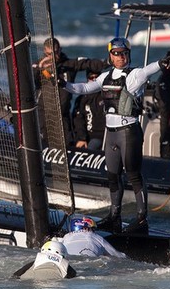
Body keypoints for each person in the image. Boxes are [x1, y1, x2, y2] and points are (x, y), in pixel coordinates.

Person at [64, 37, 161, 234]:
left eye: (124, 53)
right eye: (116, 54)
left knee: (133, 175)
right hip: (112, 136)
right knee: (112, 176)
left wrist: (162, 62)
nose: (121, 57)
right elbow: (82, 88)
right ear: (110, 55)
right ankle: (114, 217)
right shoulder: (105, 77)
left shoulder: (134, 75)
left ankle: (142, 219)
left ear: (128, 54)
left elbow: (149, 69)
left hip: (129, 132)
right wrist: (62, 83)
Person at [33, 37, 107, 145]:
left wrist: (108, 62)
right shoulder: (39, 65)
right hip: (44, 114)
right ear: (45, 52)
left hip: (62, 115)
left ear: (60, 49)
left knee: (67, 143)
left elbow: (87, 63)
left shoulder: (68, 64)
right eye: (49, 54)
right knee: (43, 143)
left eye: (56, 52)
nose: (53, 57)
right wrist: (40, 69)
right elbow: (32, 81)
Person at [59, 216, 126, 258]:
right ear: (86, 227)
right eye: (92, 229)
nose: (93, 231)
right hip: (90, 260)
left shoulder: (66, 237)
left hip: (70, 261)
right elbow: (117, 255)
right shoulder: (96, 237)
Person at [72, 69, 105, 150]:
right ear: (87, 79)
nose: (94, 79)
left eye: (96, 77)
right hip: (90, 137)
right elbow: (78, 120)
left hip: (106, 135)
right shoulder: (82, 99)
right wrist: (81, 138)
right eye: (91, 77)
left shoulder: (106, 96)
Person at [12, 239, 77, 280]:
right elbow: (75, 276)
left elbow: (15, 276)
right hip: (54, 283)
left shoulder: (35, 261)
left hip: (28, 279)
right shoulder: (66, 266)